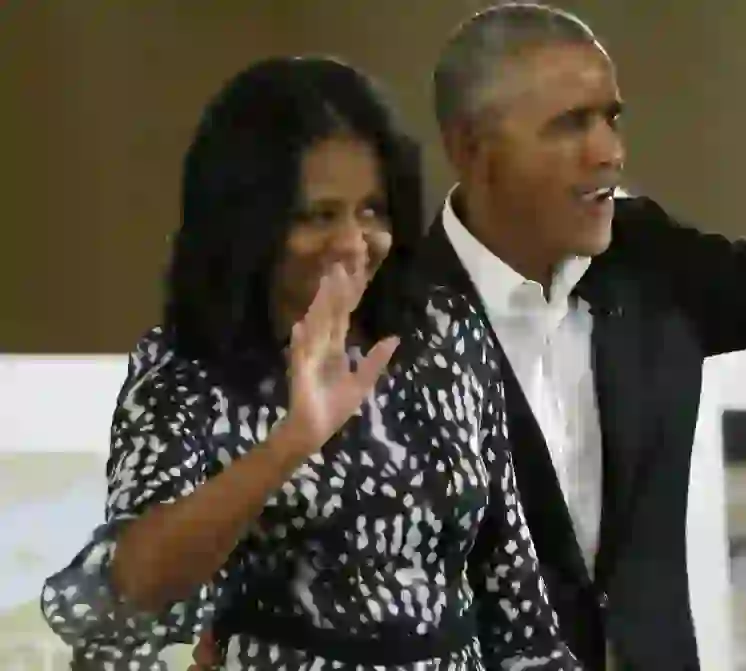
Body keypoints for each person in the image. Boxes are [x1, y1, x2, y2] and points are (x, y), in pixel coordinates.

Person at [196, 0, 746, 668]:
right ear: (473, 150)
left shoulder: (650, 264)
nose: (610, 152)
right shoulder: (380, 314)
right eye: (569, 125)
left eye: (612, 119)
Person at [39, 56, 580, 671]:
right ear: (247, 226)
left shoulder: (446, 334)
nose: (353, 244)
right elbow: (133, 592)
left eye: (372, 211)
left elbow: (513, 592)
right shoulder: (187, 370)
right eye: (317, 216)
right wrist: (293, 441)